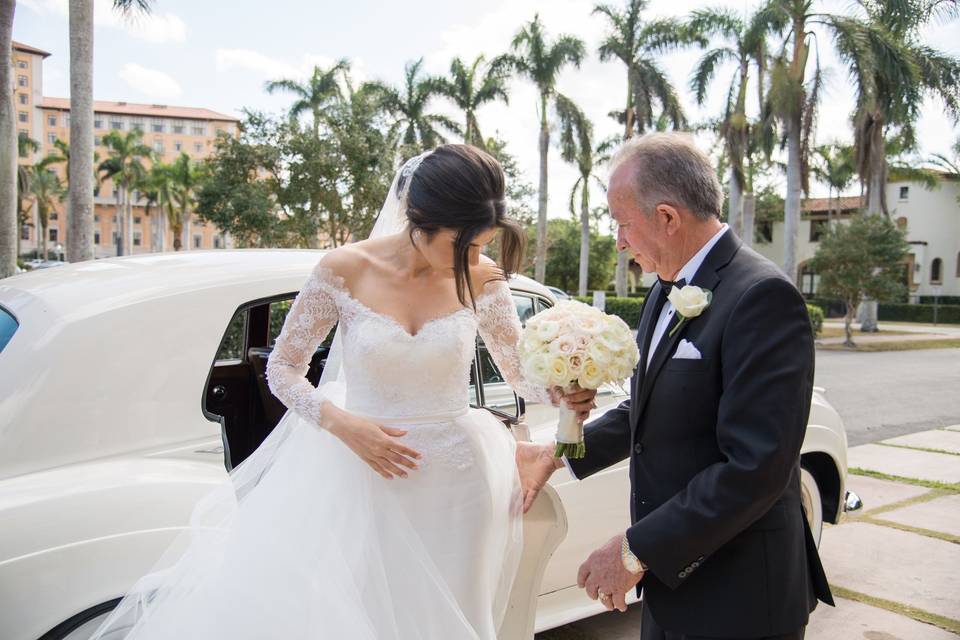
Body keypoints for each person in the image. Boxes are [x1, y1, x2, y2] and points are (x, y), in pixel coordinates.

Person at [88, 144, 596, 640]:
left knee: (450, 615)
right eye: (461, 244)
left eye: (481, 246)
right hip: (359, 474)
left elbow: (517, 374)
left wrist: (564, 391)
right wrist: (343, 424)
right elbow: (284, 369)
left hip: (458, 480)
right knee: (364, 611)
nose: (471, 258)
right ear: (418, 220)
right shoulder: (344, 270)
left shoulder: (483, 280)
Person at [522, 132, 834, 640]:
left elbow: (755, 468)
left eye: (623, 224)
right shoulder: (666, 290)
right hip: (672, 590)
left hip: (740, 599)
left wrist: (634, 548)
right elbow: (645, 411)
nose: (619, 241)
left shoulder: (762, 297)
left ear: (667, 217)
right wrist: (560, 452)